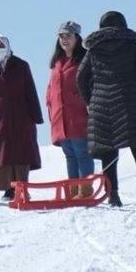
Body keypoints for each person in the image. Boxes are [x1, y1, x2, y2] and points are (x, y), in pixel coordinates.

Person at [78, 11, 136, 207]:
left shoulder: (94, 48)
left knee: (108, 150)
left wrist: (90, 101)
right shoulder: (133, 44)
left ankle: (113, 195)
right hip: (131, 101)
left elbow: (80, 77)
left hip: (102, 103)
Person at [0, 35, 43, 201]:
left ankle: (22, 188)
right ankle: (8, 188)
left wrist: (36, 115)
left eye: (1, 44)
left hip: (22, 116)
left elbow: (31, 91)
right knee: (2, 153)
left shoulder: (21, 66)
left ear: (8, 46)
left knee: (21, 152)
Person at [46, 21, 93, 196]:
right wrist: (51, 108)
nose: (64, 39)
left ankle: (85, 189)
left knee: (82, 152)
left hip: (79, 115)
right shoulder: (57, 63)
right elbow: (51, 89)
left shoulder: (84, 59)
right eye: (61, 36)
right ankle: (73, 190)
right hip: (60, 117)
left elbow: (89, 84)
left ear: (77, 38)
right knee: (70, 154)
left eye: (68, 36)